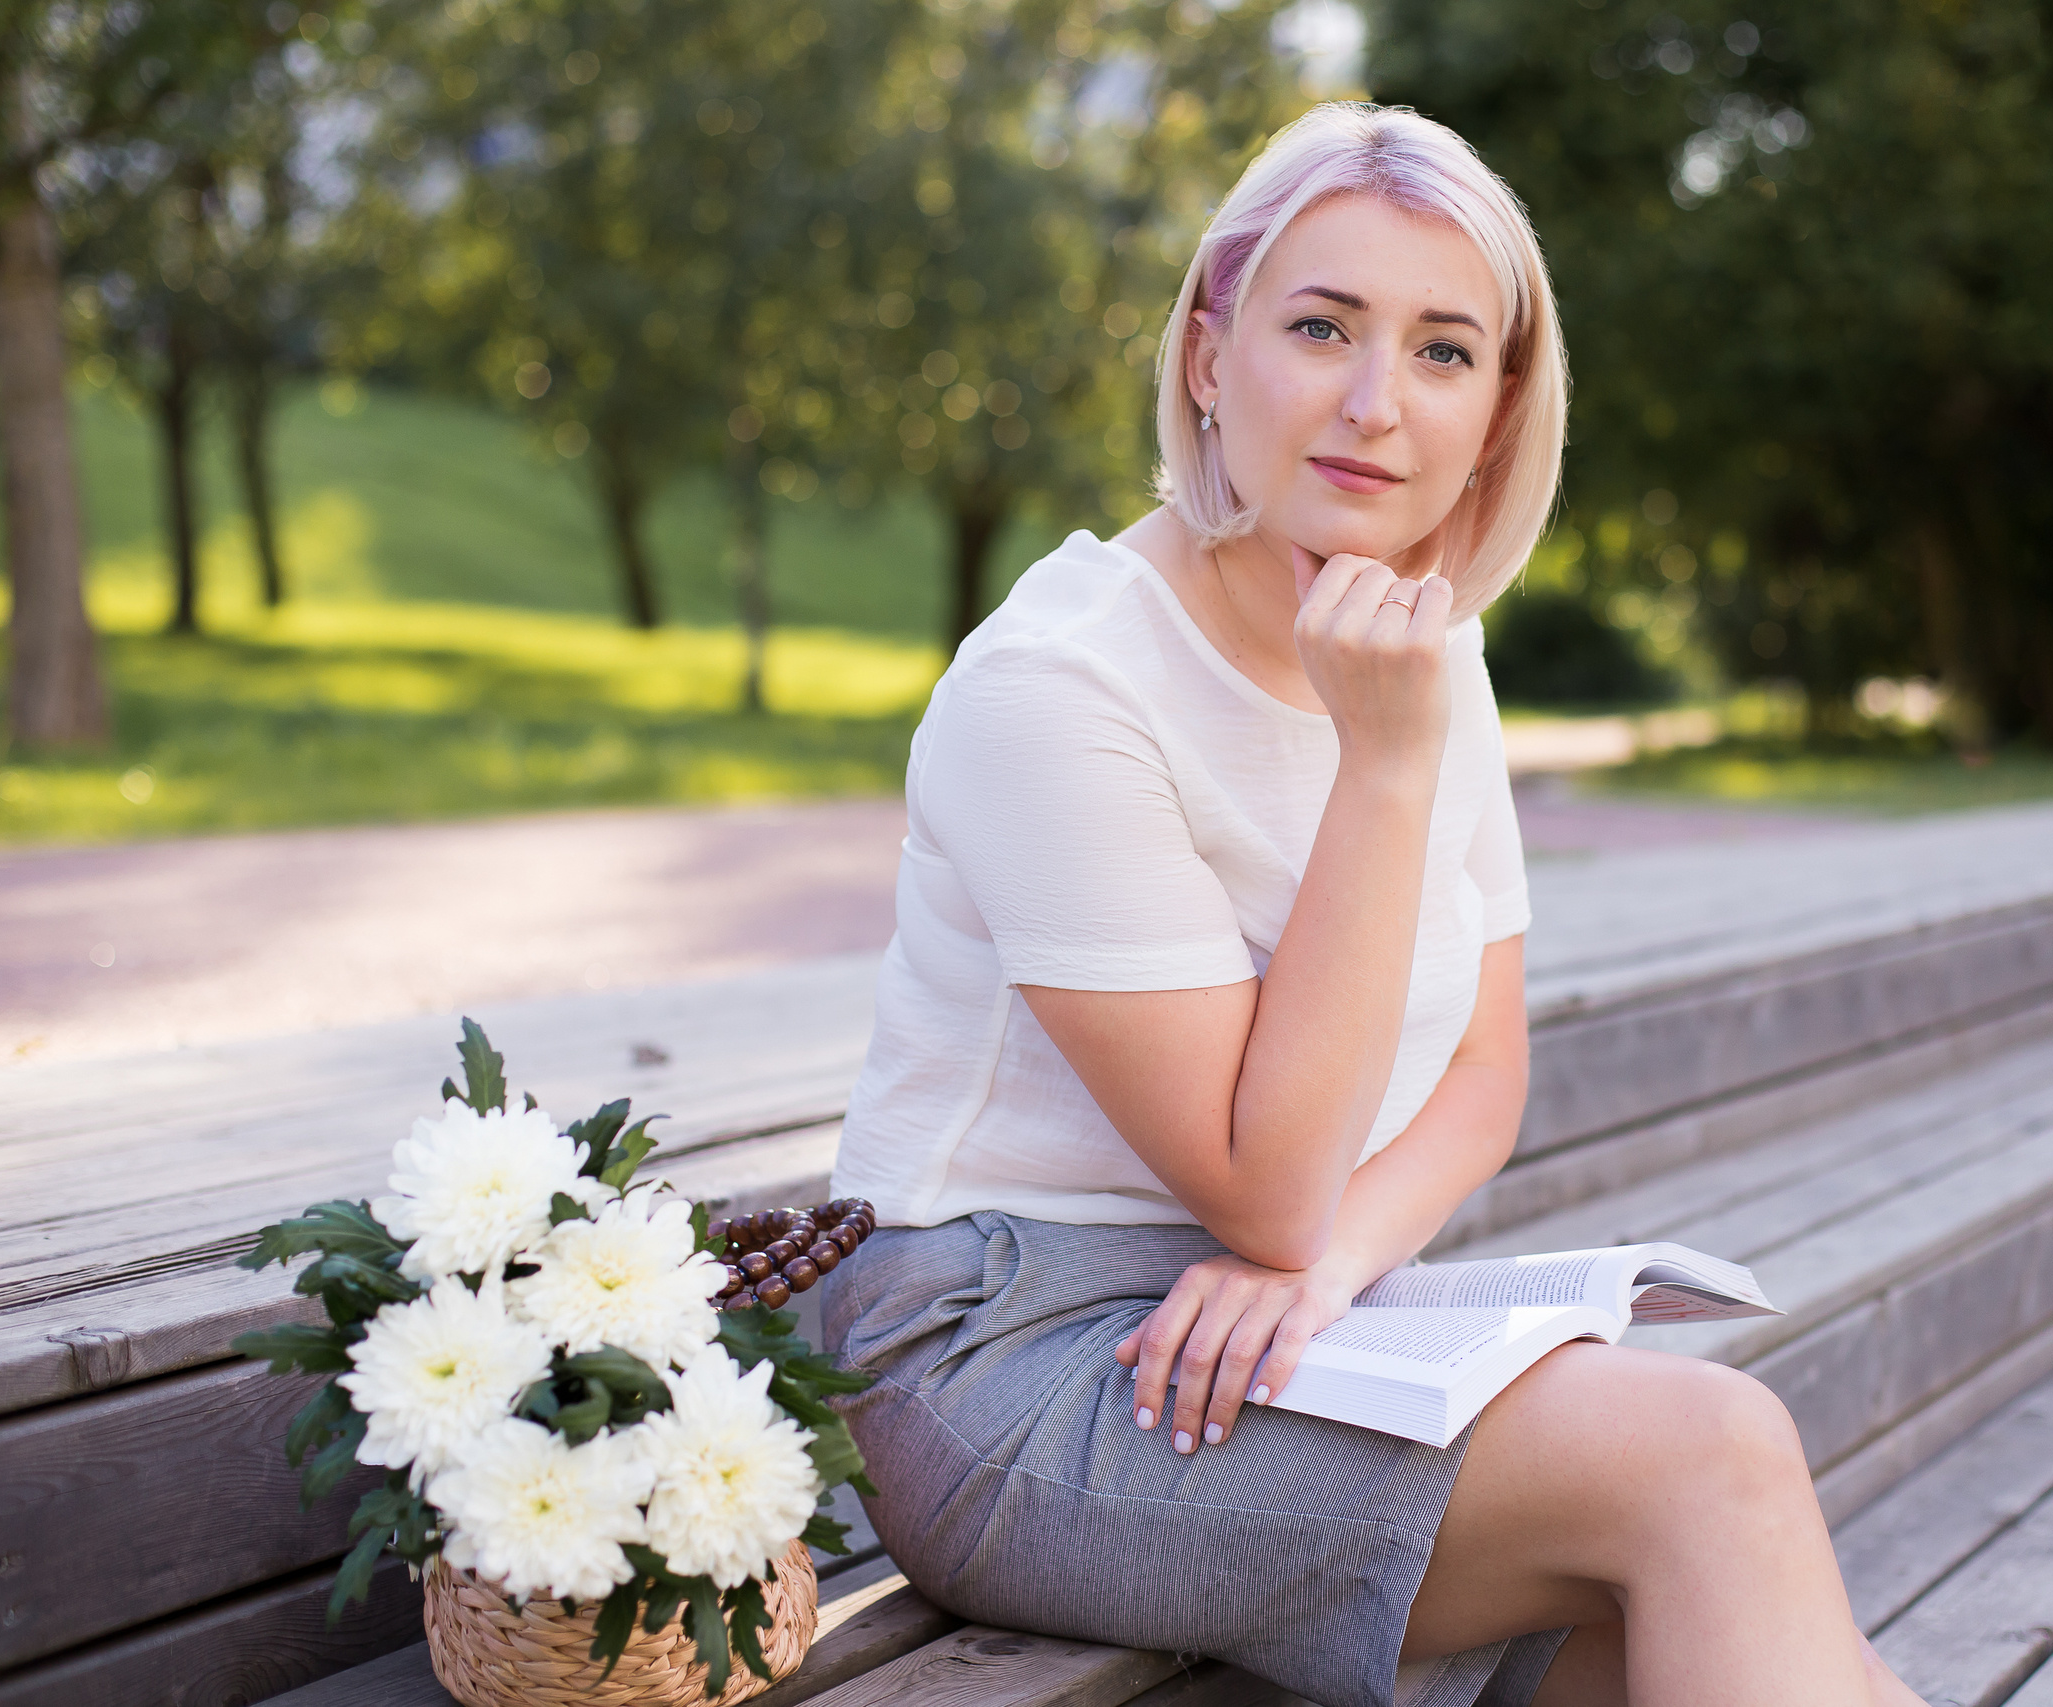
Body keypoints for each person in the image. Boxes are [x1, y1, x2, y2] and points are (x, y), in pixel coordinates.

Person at [821, 102, 1926, 1707]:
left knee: (1719, 1622)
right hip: (1008, 1363)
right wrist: (1386, 770)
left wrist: (1327, 1269)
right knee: (1713, 1451)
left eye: (1442, 351)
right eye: (1321, 327)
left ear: (1497, 412)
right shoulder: (1058, 691)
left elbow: (1484, 1078)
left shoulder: (1422, 639)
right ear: (1211, 352)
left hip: (1283, 1317)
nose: (1374, 403)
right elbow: (1263, 1189)